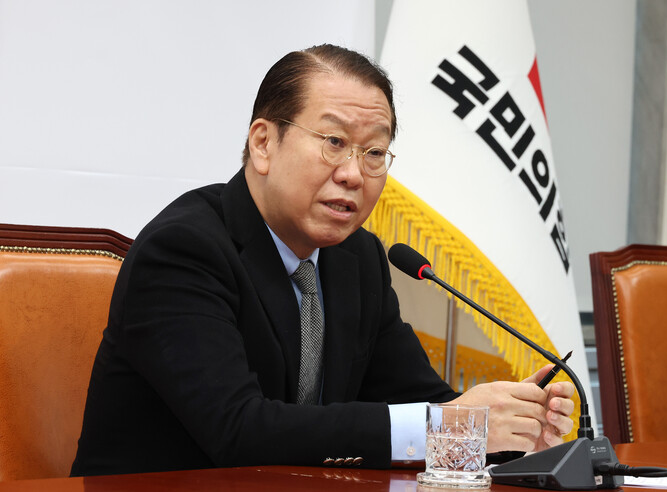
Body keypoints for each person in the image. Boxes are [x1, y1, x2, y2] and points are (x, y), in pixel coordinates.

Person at [70, 44, 574, 477]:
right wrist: (444, 424)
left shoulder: (358, 258)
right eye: (334, 143)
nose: (354, 174)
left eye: (374, 153)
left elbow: (418, 399)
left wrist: (508, 431)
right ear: (263, 143)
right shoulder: (183, 250)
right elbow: (238, 429)